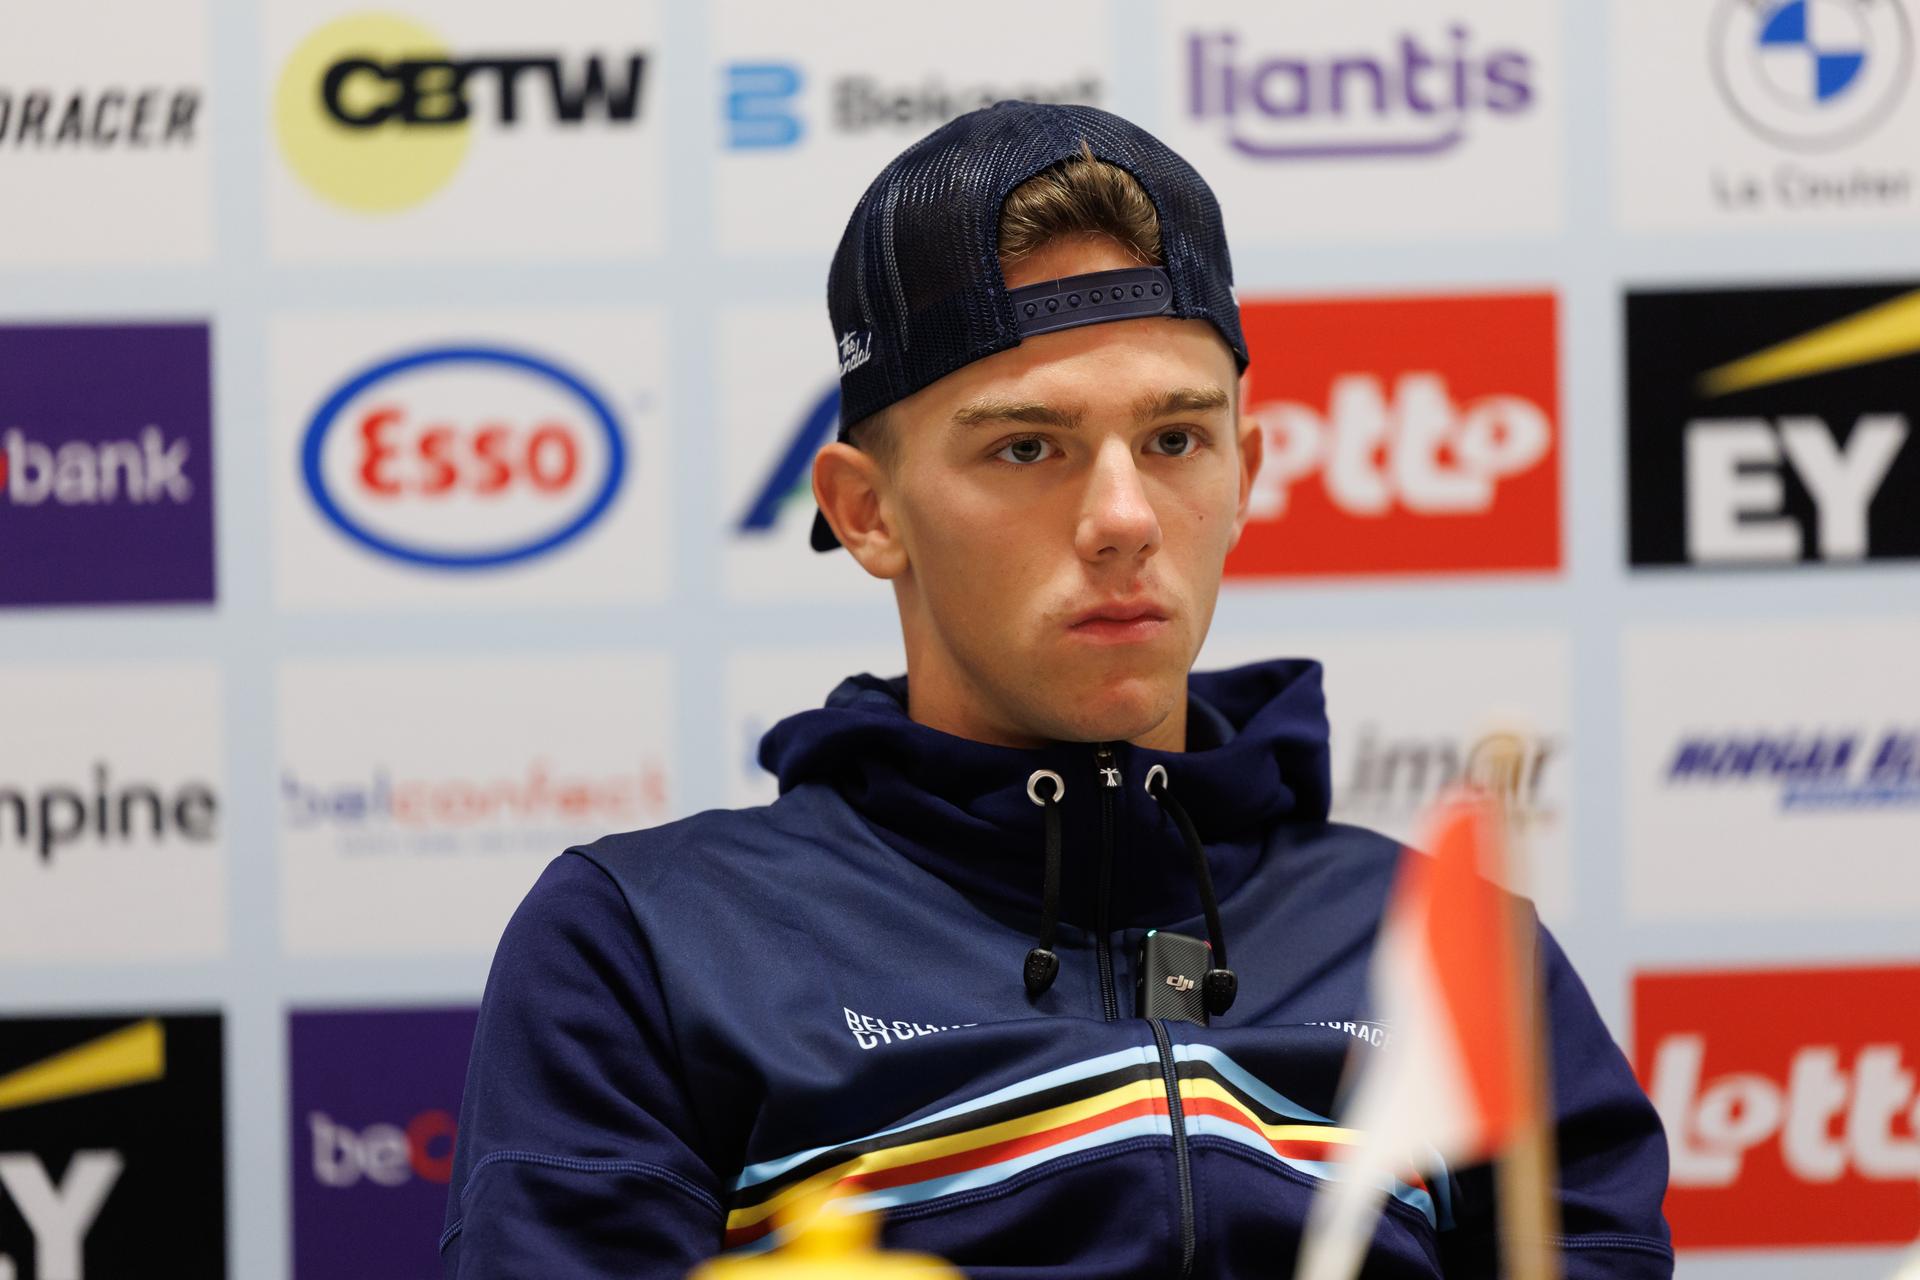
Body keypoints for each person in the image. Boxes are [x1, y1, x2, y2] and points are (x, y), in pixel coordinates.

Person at [440, 102, 1672, 1279]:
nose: (1125, 517)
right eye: (1028, 447)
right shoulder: (648, 942)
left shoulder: (1446, 953)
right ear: (865, 511)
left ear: (1246, 468)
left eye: (1177, 439)